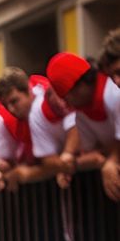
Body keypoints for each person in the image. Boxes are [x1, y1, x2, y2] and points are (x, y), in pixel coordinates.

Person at [46, 52, 120, 201]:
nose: (66, 105)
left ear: (79, 85)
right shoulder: (81, 115)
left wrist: (112, 160)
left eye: (66, 97)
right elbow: (94, 152)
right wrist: (72, 164)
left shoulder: (114, 92)